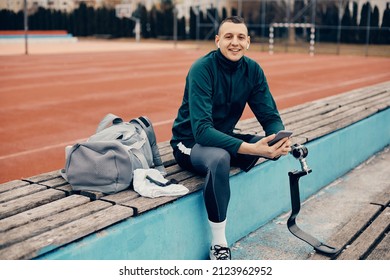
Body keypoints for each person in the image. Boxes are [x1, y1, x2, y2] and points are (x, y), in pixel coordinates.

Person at [170, 16, 292, 260]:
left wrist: (279, 139)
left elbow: (269, 116)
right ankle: (219, 244)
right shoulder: (202, 69)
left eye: (240, 37)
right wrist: (252, 149)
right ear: (217, 41)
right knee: (220, 159)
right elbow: (202, 131)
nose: (234, 42)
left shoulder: (253, 70)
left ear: (247, 42)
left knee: (264, 142)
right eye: (228, 37)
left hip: (222, 136)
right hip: (190, 141)